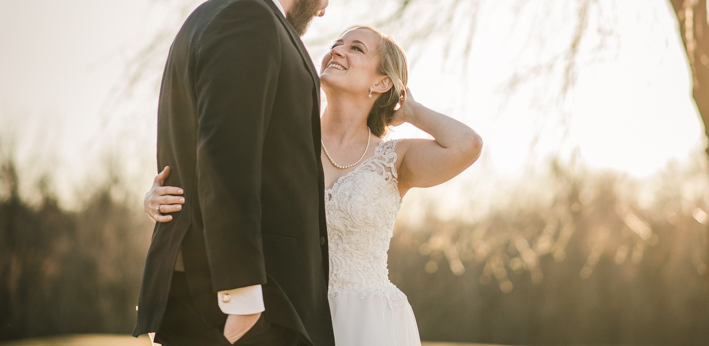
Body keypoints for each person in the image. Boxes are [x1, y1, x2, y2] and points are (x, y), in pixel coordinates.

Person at [146, 25, 483, 345]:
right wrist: (156, 195)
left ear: (381, 82)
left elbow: (467, 145)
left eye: (355, 47)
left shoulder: (396, 158)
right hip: (290, 314)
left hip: (368, 325)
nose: (337, 50)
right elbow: (221, 188)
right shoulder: (284, 141)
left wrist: (411, 110)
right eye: (337, 43)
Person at [134, 0, 344, 346]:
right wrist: (242, 295)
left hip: (227, 297)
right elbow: (225, 158)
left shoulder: (208, 18)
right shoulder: (248, 20)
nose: (325, 8)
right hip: (247, 305)